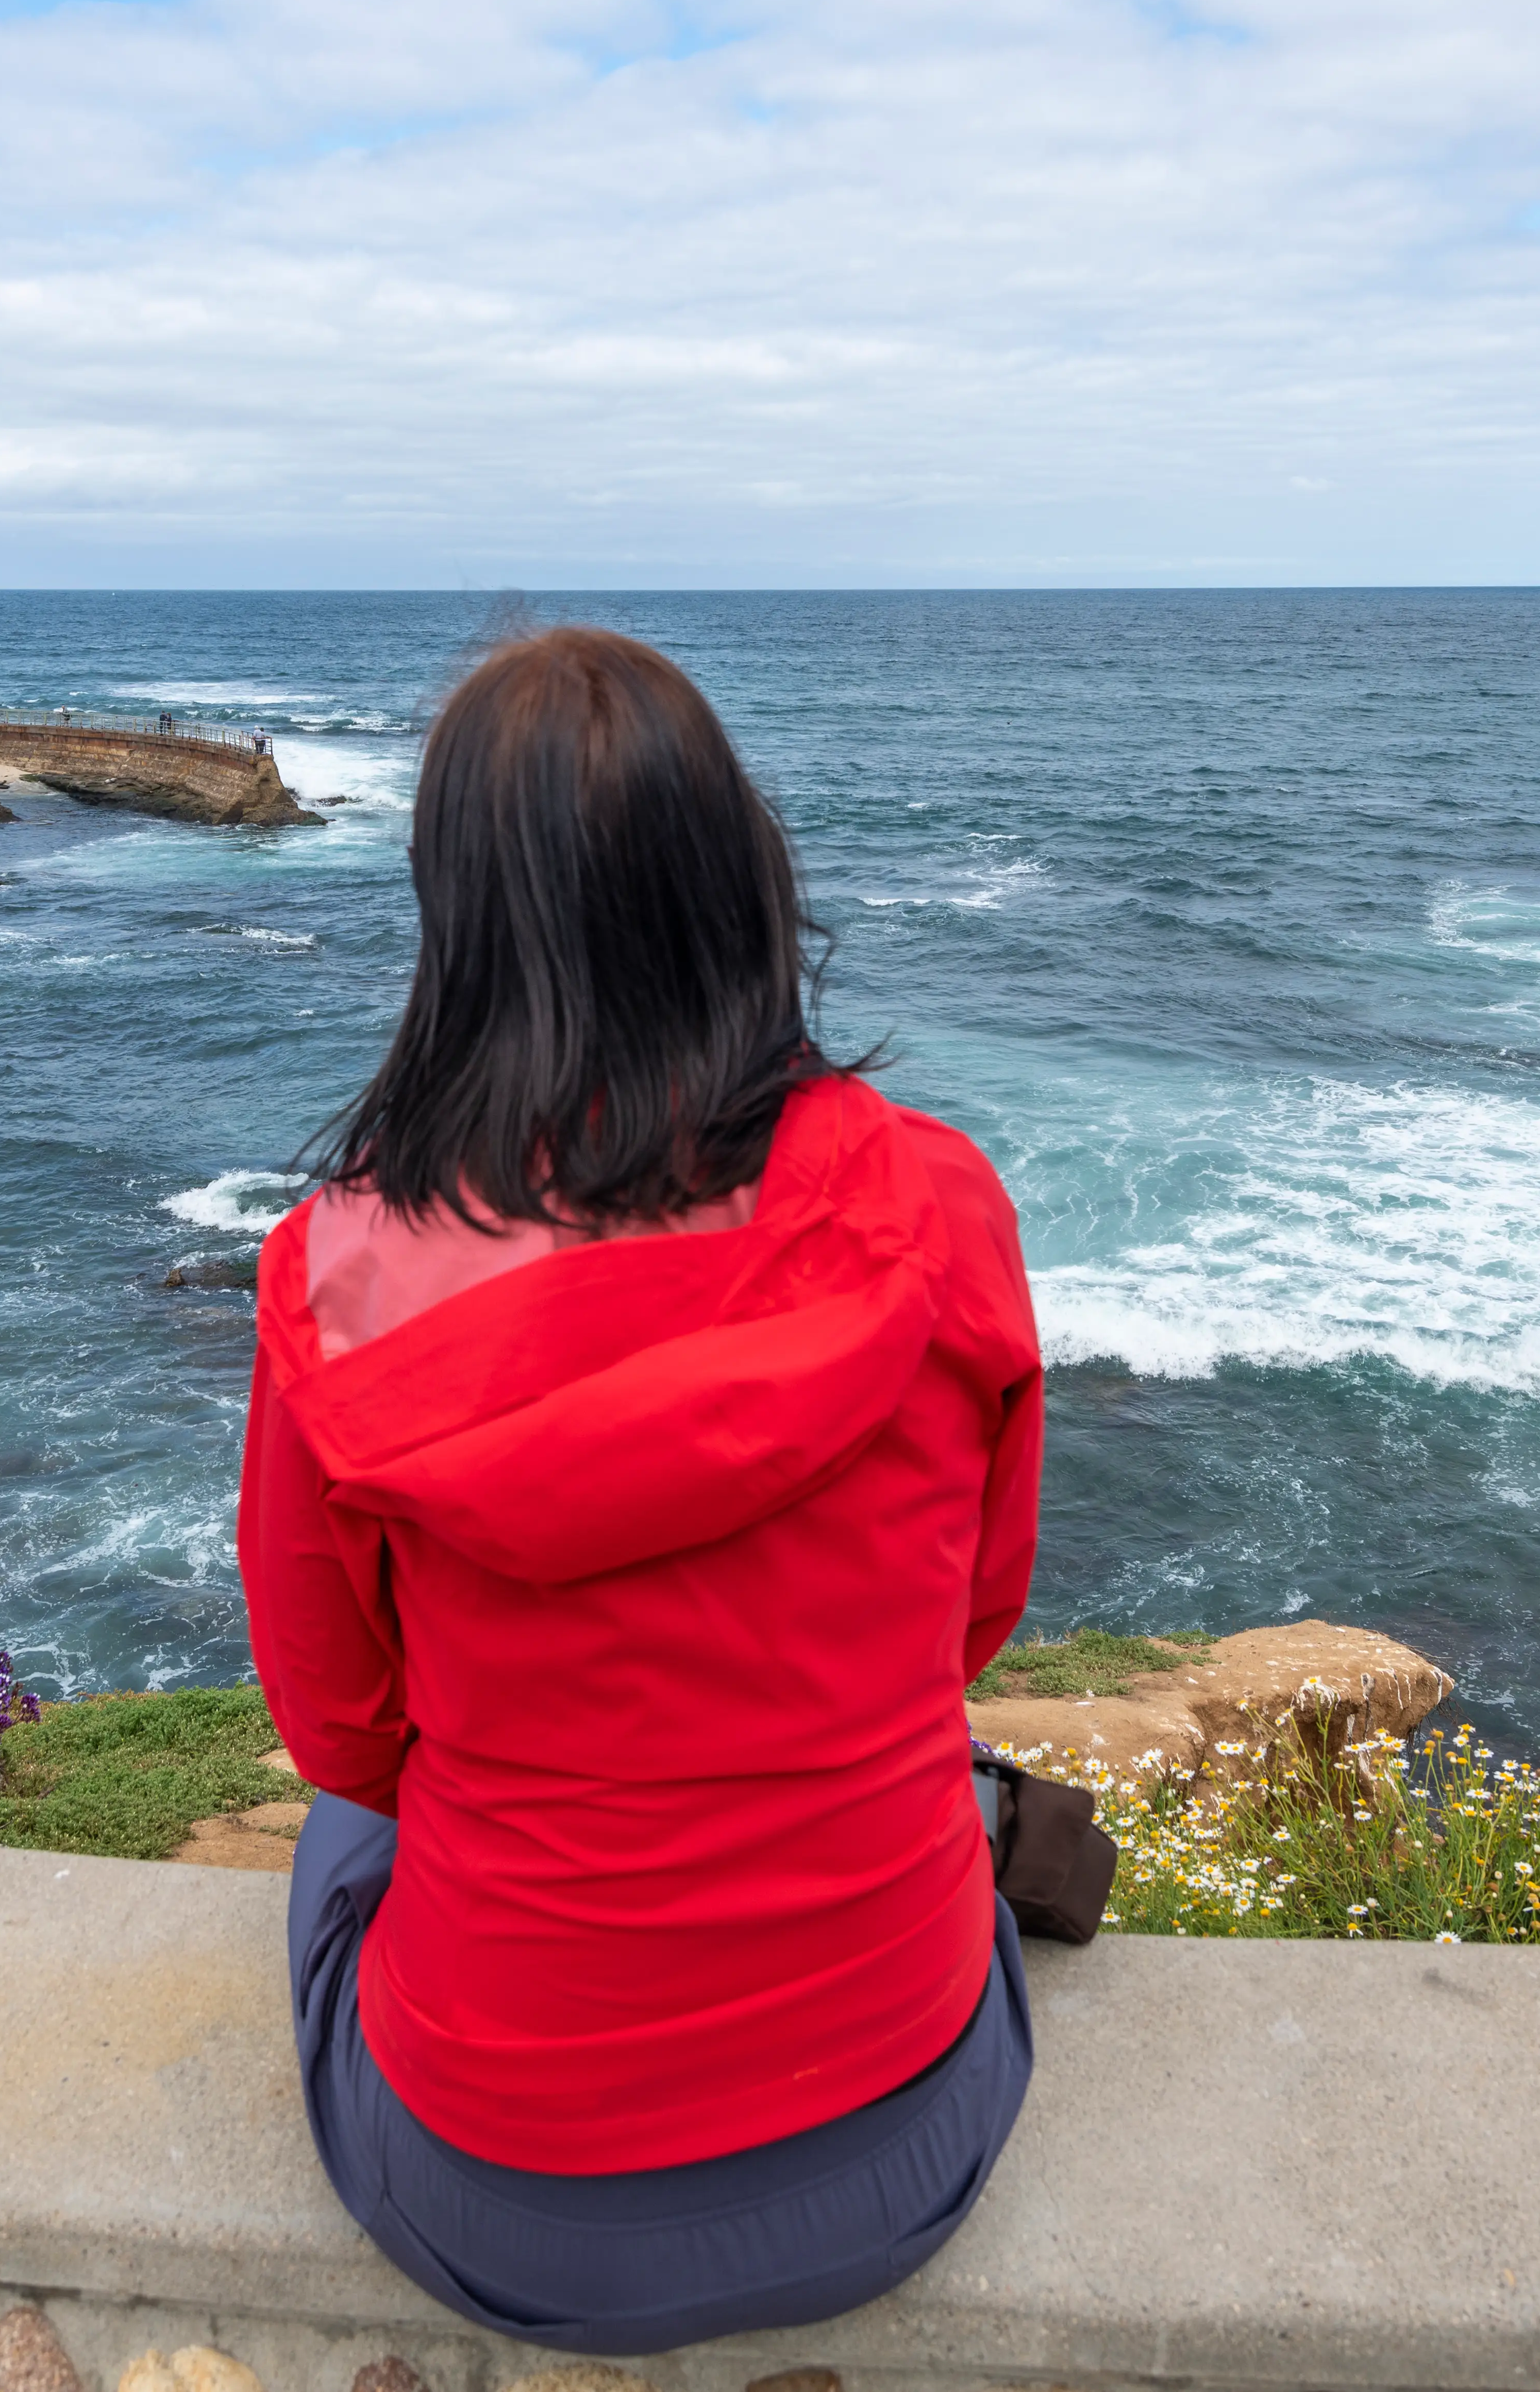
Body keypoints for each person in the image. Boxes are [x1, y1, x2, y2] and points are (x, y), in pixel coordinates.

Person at [237, 626, 1048, 2351]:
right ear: (740, 870)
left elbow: (346, 1734)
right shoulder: (936, 1203)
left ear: (459, 918)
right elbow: (975, 1612)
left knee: (340, 1835)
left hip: (497, 2193)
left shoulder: (333, 1276)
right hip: (907, 2133)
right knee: (919, 1752)